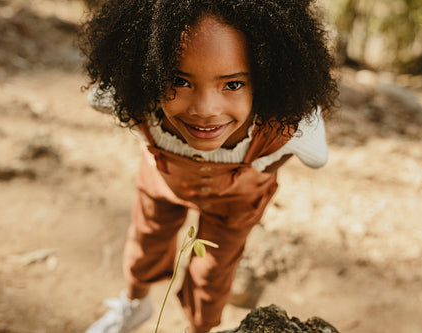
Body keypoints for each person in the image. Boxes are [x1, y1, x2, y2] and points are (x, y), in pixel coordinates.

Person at [78, 0, 338, 332]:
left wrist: (260, 167)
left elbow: (316, 155)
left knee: (212, 272)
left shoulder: (287, 124)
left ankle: (199, 328)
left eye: (233, 84)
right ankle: (133, 305)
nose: (204, 109)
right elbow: (98, 98)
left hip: (237, 200)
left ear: (267, 78)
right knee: (147, 242)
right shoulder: (131, 95)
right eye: (180, 81)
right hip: (163, 180)